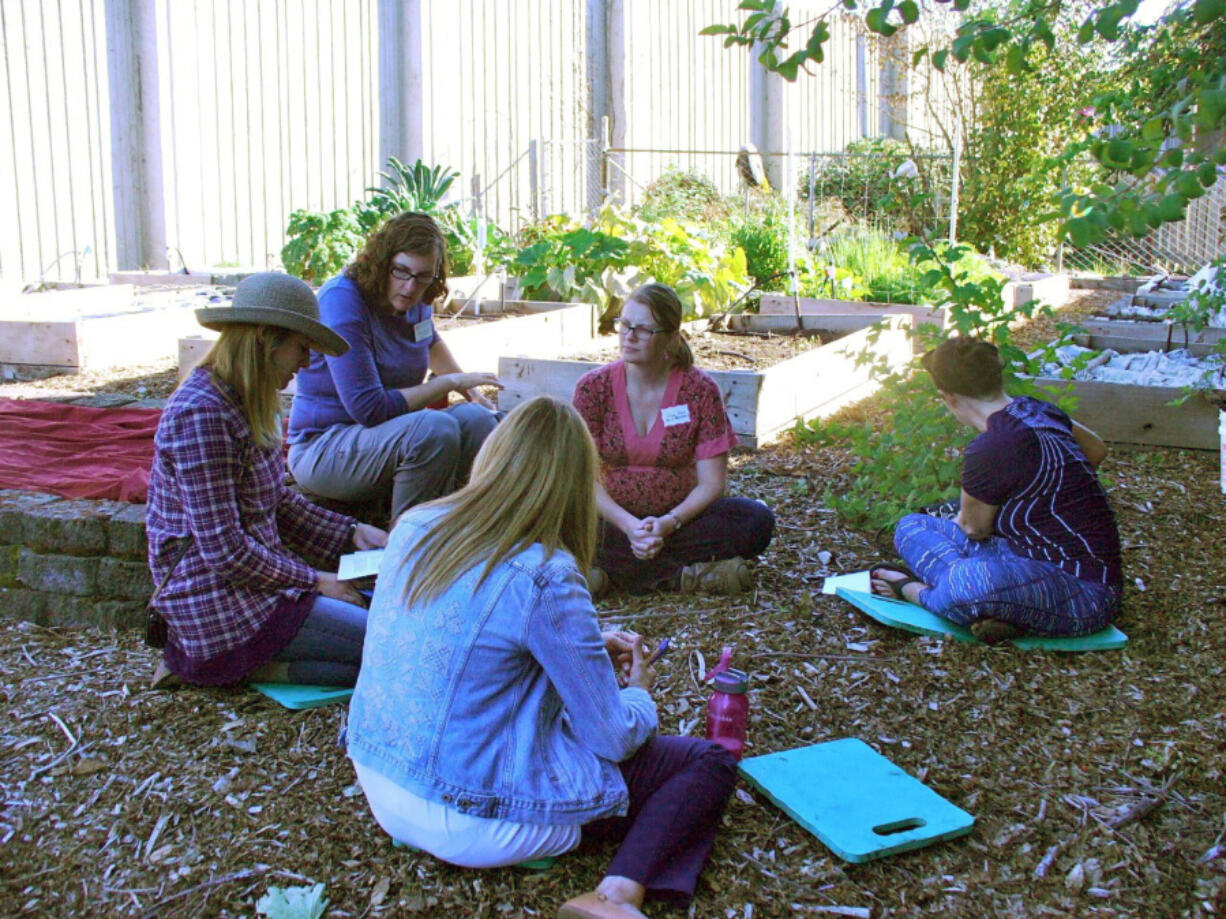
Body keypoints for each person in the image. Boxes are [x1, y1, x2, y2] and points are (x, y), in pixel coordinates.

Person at [346, 396, 738, 919]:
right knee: (706, 761)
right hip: (472, 816)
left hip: (383, 779)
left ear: (492, 455)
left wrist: (586, 640)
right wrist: (639, 695)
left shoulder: (418, 525)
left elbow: (477, 630)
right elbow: (614, 738)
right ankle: (617, 896)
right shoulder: (545, 573)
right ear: (578, 484)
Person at [146, 272, 387, 689]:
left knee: (393, 638)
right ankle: (224, 662)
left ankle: (244, 665)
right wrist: (316, 581)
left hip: (260, 588)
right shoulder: (202, 413)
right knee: (389, 649)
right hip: (218, 601)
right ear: (265, 339)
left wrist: (353, 533)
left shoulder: (247, 400)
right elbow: (223, 552)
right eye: (301, 347)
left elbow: (275, 501)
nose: (305, 363)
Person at [872, 336, 1123, 642]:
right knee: (912, 526)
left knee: (967, 581)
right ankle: (1006, 608)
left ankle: (914, 591)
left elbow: (973, 529)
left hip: (1082, 591)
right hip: (1018, 552)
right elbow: (1096, 450)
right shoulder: (1039, 410)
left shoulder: (991, 447)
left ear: (947, 397)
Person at [287, 211, 501, 522]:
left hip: (387, 438)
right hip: (324, 446)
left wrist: (474, 395)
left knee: (477, 420)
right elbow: (368, 408)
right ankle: (408, 546)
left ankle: (465, 532)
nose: (411, 287)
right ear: (382, 261)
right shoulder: (343, 299)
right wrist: (448, 383)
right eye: (401, 271)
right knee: (433, 429)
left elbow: (429, 343)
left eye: (424, 276)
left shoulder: (417, 299)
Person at [572, 283, 774, 596]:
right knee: (547, 518)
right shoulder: (592, 389)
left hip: (680, 523)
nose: (629, 336)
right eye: (624, 325)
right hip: (608, 521)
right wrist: (629, 526)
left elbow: (711, 484)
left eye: (643, 329)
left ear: (670, 336)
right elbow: (581, 478)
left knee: (755, 520)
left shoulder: (699, 390)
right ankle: (685, 577)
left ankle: (608, 574)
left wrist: (668, 523)